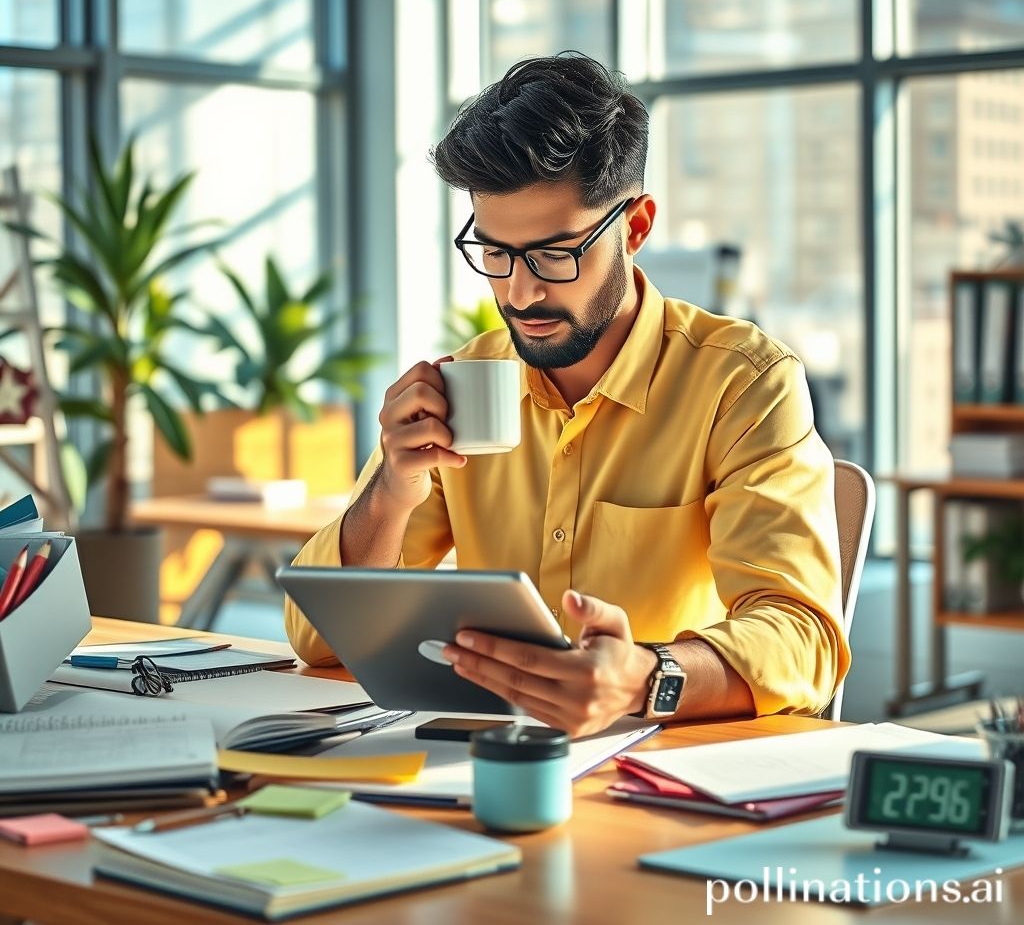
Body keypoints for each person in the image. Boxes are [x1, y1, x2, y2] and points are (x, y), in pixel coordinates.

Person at [285, 52, 850, 738]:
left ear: (635, 228)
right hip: (489, 758)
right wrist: (392, 492)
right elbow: (316, 640)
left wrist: (644, 678)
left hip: (660, 764)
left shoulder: (743, 383)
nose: (519, 294)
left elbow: (803, 638)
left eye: (556, 255)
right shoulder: (464, 383)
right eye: (495, 254)